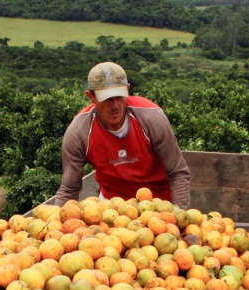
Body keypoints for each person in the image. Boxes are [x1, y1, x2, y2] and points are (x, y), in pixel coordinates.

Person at [49, 62, 191, 209]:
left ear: (127, 89)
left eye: (119, 96)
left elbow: (177, 172)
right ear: (91, 96)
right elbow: (69, 189)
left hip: (158, 203)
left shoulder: (150, 118)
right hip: (112, 207)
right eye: (108, 99)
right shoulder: (79, 132)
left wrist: (179, 217)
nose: (115, 105)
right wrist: (57, 223)